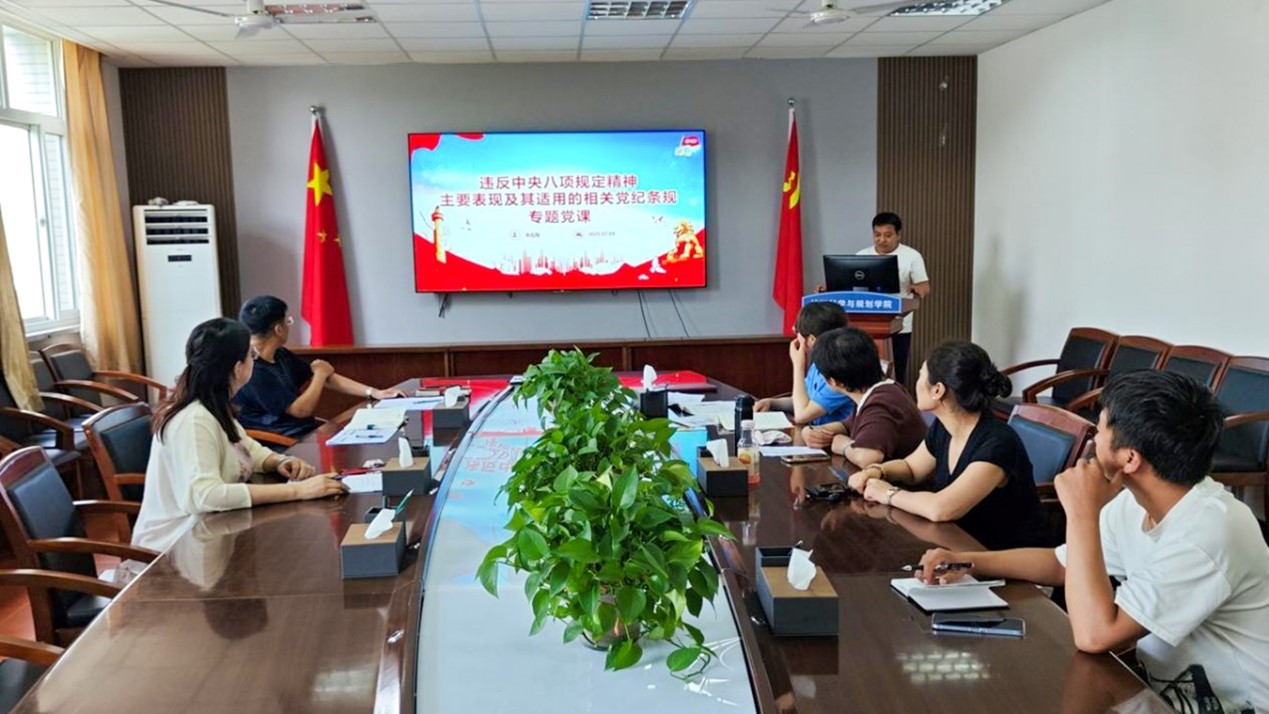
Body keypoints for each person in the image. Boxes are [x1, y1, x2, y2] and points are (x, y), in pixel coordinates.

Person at [919, 371, 1269, 713]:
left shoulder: (1207, 530)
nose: (1092, 443)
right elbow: (1063, 564)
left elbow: (1095, 635)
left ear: (1129, 458)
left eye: (1099, 431)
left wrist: (1082, 513)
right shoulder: (1134, 501)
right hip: (1157, 694)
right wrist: (969, 561)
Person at [133, 318, 347, 552]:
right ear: (238, 368)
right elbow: (206, 495)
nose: (254, 360)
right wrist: (298, 491)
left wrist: (278, 461)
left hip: (213, 533)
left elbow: (246, 449)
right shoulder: (195, 419)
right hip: (175, 548)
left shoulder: (214, 405)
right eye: (251, 355)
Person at [847, 340, 1047, 549]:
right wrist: (877, 471)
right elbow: (912, 469)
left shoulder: (997, 442)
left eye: (920, 375)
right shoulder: (944, 427)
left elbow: (942, 509)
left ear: (938, 390)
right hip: (958, 544)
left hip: (1003, 557)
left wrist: (888, 494)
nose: (916, 382)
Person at [233, 295, 405, 439]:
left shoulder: (280, 354)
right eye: (287, 321)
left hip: (304, 433)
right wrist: (320, 375)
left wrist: (374, 392)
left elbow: (326, 376)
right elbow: (300, 410)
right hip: (283, 444)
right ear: (278, 329)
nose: (288, 326)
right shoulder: (252, 369)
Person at [801, 326, 926, 468]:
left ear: (833, 381)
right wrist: (812, 432)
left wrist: (843, 446)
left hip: (901, 481)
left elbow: (868, 457)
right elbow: (847, 425)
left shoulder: (882, 402)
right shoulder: (876, 390)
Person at [755, 301, 854, 426]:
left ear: (811, 339)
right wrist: (771, 403)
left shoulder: (841, 372)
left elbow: (801, 415)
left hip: (832, 436)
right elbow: (802, 400)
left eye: (797, 331)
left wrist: (798, 365)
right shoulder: (819, 363)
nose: (796, 336)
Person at [858, 212, 929, 381]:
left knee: (896, 372)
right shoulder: (861, 256)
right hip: (865, 322)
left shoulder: (912, 256)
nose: (882, 240)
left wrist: (918, 288)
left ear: (898, 234)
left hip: (899, 324)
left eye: (888, 235)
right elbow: (848, 283)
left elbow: (925, 287)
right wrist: (830, 286)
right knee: (862, 372)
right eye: (877, 235)